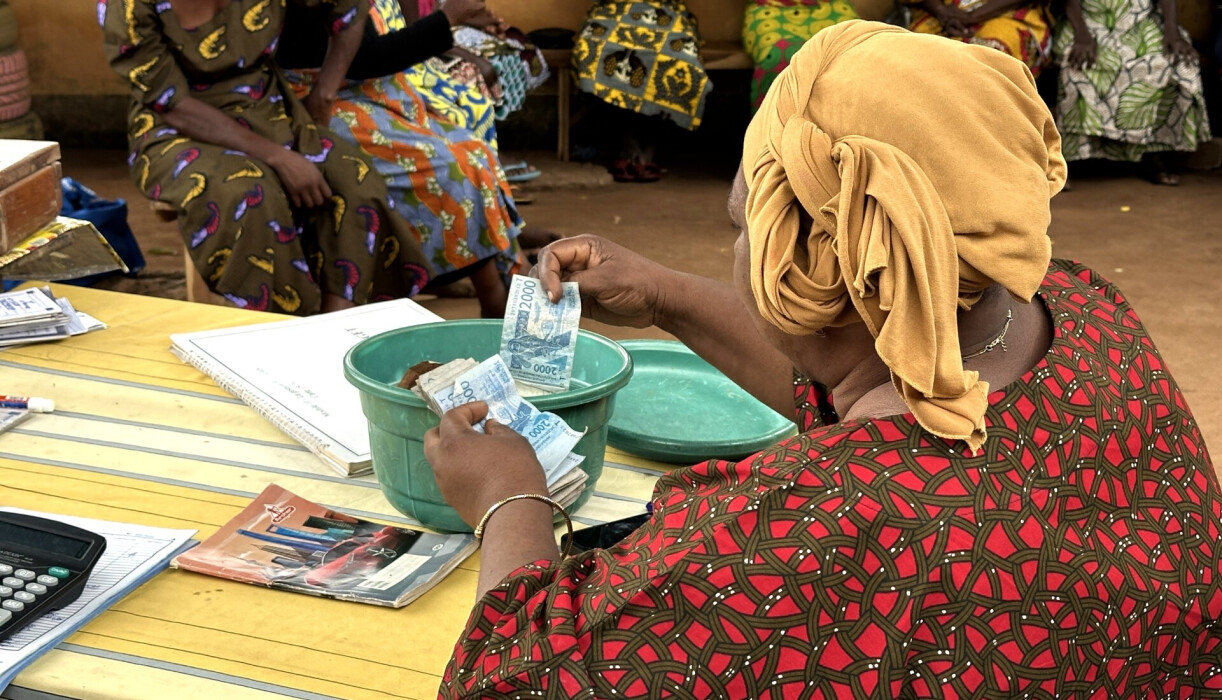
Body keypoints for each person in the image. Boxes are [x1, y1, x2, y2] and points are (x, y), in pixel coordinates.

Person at [425, 21, 1222, 696]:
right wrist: (663, 295)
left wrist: (507, 496)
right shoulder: (1086, 313)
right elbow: (863, 369)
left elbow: (509, 678)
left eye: (742, 224)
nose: (735, 245)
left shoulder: (802, 528)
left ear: (802, 268)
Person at [102, 0, 433, 315]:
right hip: (176, 131)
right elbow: (171, 103)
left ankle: (336, 327)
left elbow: (349, 8)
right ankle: (279, 329)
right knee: (251, 197)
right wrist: (279, 157)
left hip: (267, 111)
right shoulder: (130, 6)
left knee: (355, 183)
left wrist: (324, 93)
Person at [278, 0, 528, 317]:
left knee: (474, 151)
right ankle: (490, 289)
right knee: (451, 167)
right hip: (319, 96)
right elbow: (364, 58)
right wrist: (448, 18)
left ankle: (504, 276)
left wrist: (451, 21)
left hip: (369, 87)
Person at [1055, 0, 1211, 185]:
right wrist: (1082, 35)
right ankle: (1066, 161)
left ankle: (1153, 155)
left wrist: (1172, 31)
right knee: (1077, 64)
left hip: (1140, 20)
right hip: (1087, 23)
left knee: (1178, 63)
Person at [573, 0, 714, 182]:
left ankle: (648, 146)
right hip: (615, 8)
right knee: (594, 50)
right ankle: (628, 144)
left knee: (676, 57)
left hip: (665, 10)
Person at [743, 0, 860, 111]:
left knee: (857, 50)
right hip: (771, 9)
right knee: (781, 55)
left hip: (830, 7)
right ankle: (774, 122)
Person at [907, 0, 1052, 76]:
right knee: (911, 54)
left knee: (990, 59)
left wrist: (972, 16)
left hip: (1008, 14)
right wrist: (942, 12)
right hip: (941, 13)